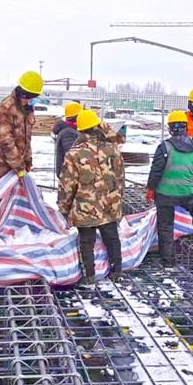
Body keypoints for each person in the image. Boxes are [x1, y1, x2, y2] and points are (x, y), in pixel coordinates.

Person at [57, 110, 125, 284]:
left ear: (80, 130)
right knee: (112, 238)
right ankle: (117, 272)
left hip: (84, 208)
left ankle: (89, 277)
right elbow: (120, 178)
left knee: (86, 243)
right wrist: (117, 200)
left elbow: (67, 185)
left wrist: (64, 208)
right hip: (109, 205)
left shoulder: (74, 154)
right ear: (97, 126)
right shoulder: (113, 149)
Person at [145, 111, 193, 268]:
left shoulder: (164, 147)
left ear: (170, 128)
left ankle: (167, 262)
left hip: (165, 195)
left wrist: (150, 190)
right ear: (186, 127)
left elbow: (156, 171)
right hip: (187, 193)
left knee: (166, 227)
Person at [0, 71, 42, 185]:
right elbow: (4, 141)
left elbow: (27, 138)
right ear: (25, 95)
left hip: (16, 169)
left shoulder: (27, 110)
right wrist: (19, 167)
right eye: (33, 97)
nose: (34, 100)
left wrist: (27, 162)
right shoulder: (4, 109)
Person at [53, 101, 83, 176]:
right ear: (76, 117)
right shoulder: (68, 133)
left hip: (70, 173)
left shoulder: (71, 130)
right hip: (68, 175)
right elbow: (72, 154)